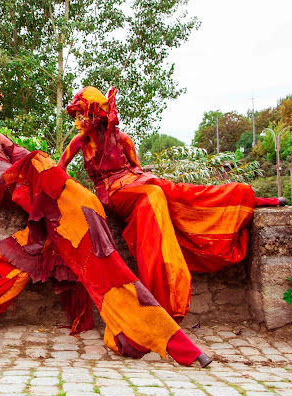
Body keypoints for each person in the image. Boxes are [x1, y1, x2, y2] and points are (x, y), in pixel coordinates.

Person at [0, 87, 212, 367]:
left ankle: (155, 328)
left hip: (29, 189)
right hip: (1, 190)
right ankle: (78, 201)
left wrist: (6, 144)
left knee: (58, 201)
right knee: (38, 161)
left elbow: (24, 155)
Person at [58, 86, 285, 322]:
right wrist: (75, 193)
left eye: (82, 115)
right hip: (115, 194)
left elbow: (136, 168)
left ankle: (246, 197)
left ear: (97, 116)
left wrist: (138, 180)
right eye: (77, 116)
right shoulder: (79, 142)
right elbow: (60, 170)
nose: (79, 121)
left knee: (182, 194)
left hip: (137, 183)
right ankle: (164, 294)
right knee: (155, 194)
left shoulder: (123, 139)